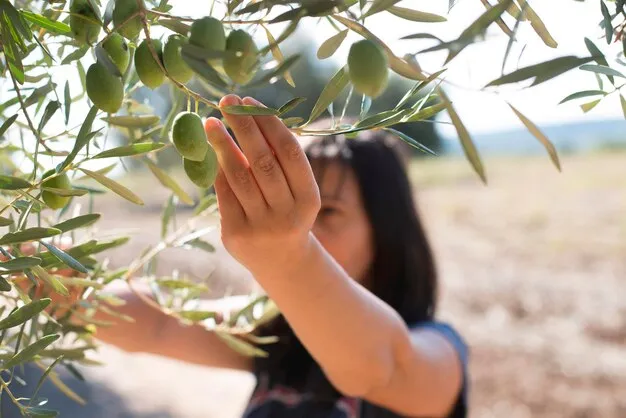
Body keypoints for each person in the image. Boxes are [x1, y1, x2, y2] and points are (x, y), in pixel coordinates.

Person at [18, 94, 469, 417]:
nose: (302, 225)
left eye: (325, 211)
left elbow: (379, 369)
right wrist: (67, 292)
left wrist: (290, 257)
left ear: (388, 231)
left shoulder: (440, 351)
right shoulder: (274, 333)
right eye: (296, 207)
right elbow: (158, 323)